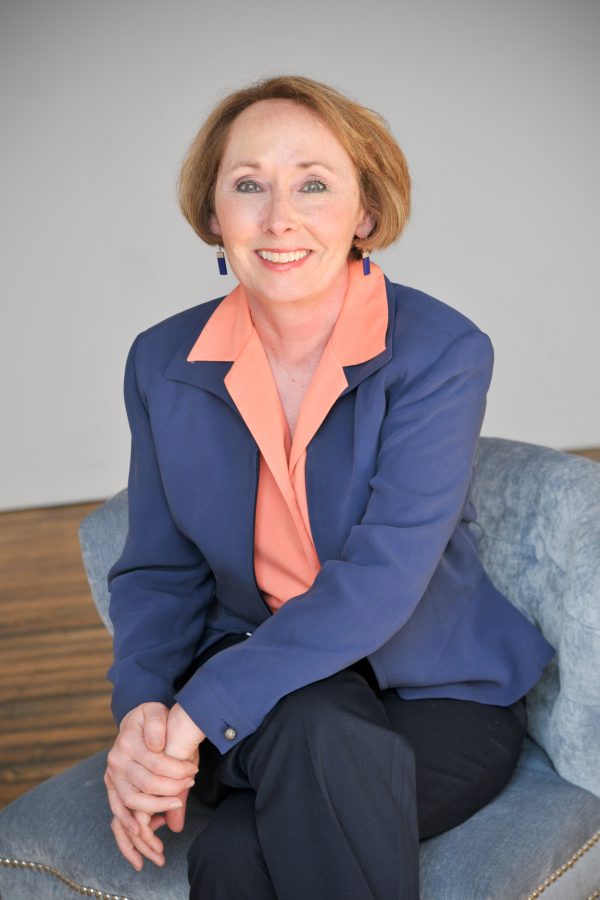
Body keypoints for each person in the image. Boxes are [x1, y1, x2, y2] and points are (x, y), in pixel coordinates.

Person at [103, 75, 555, 900]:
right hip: (260, 687)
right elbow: (160, 571)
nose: (280, 218)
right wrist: (141, 713)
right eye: (249, 186)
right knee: (312, 725)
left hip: (437, 694)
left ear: (366, 213)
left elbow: (384, 575)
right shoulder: (161, 363)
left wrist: (196, 715)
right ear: (213, 213)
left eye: (313, 184)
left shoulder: (440, 352)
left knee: (237, 854)